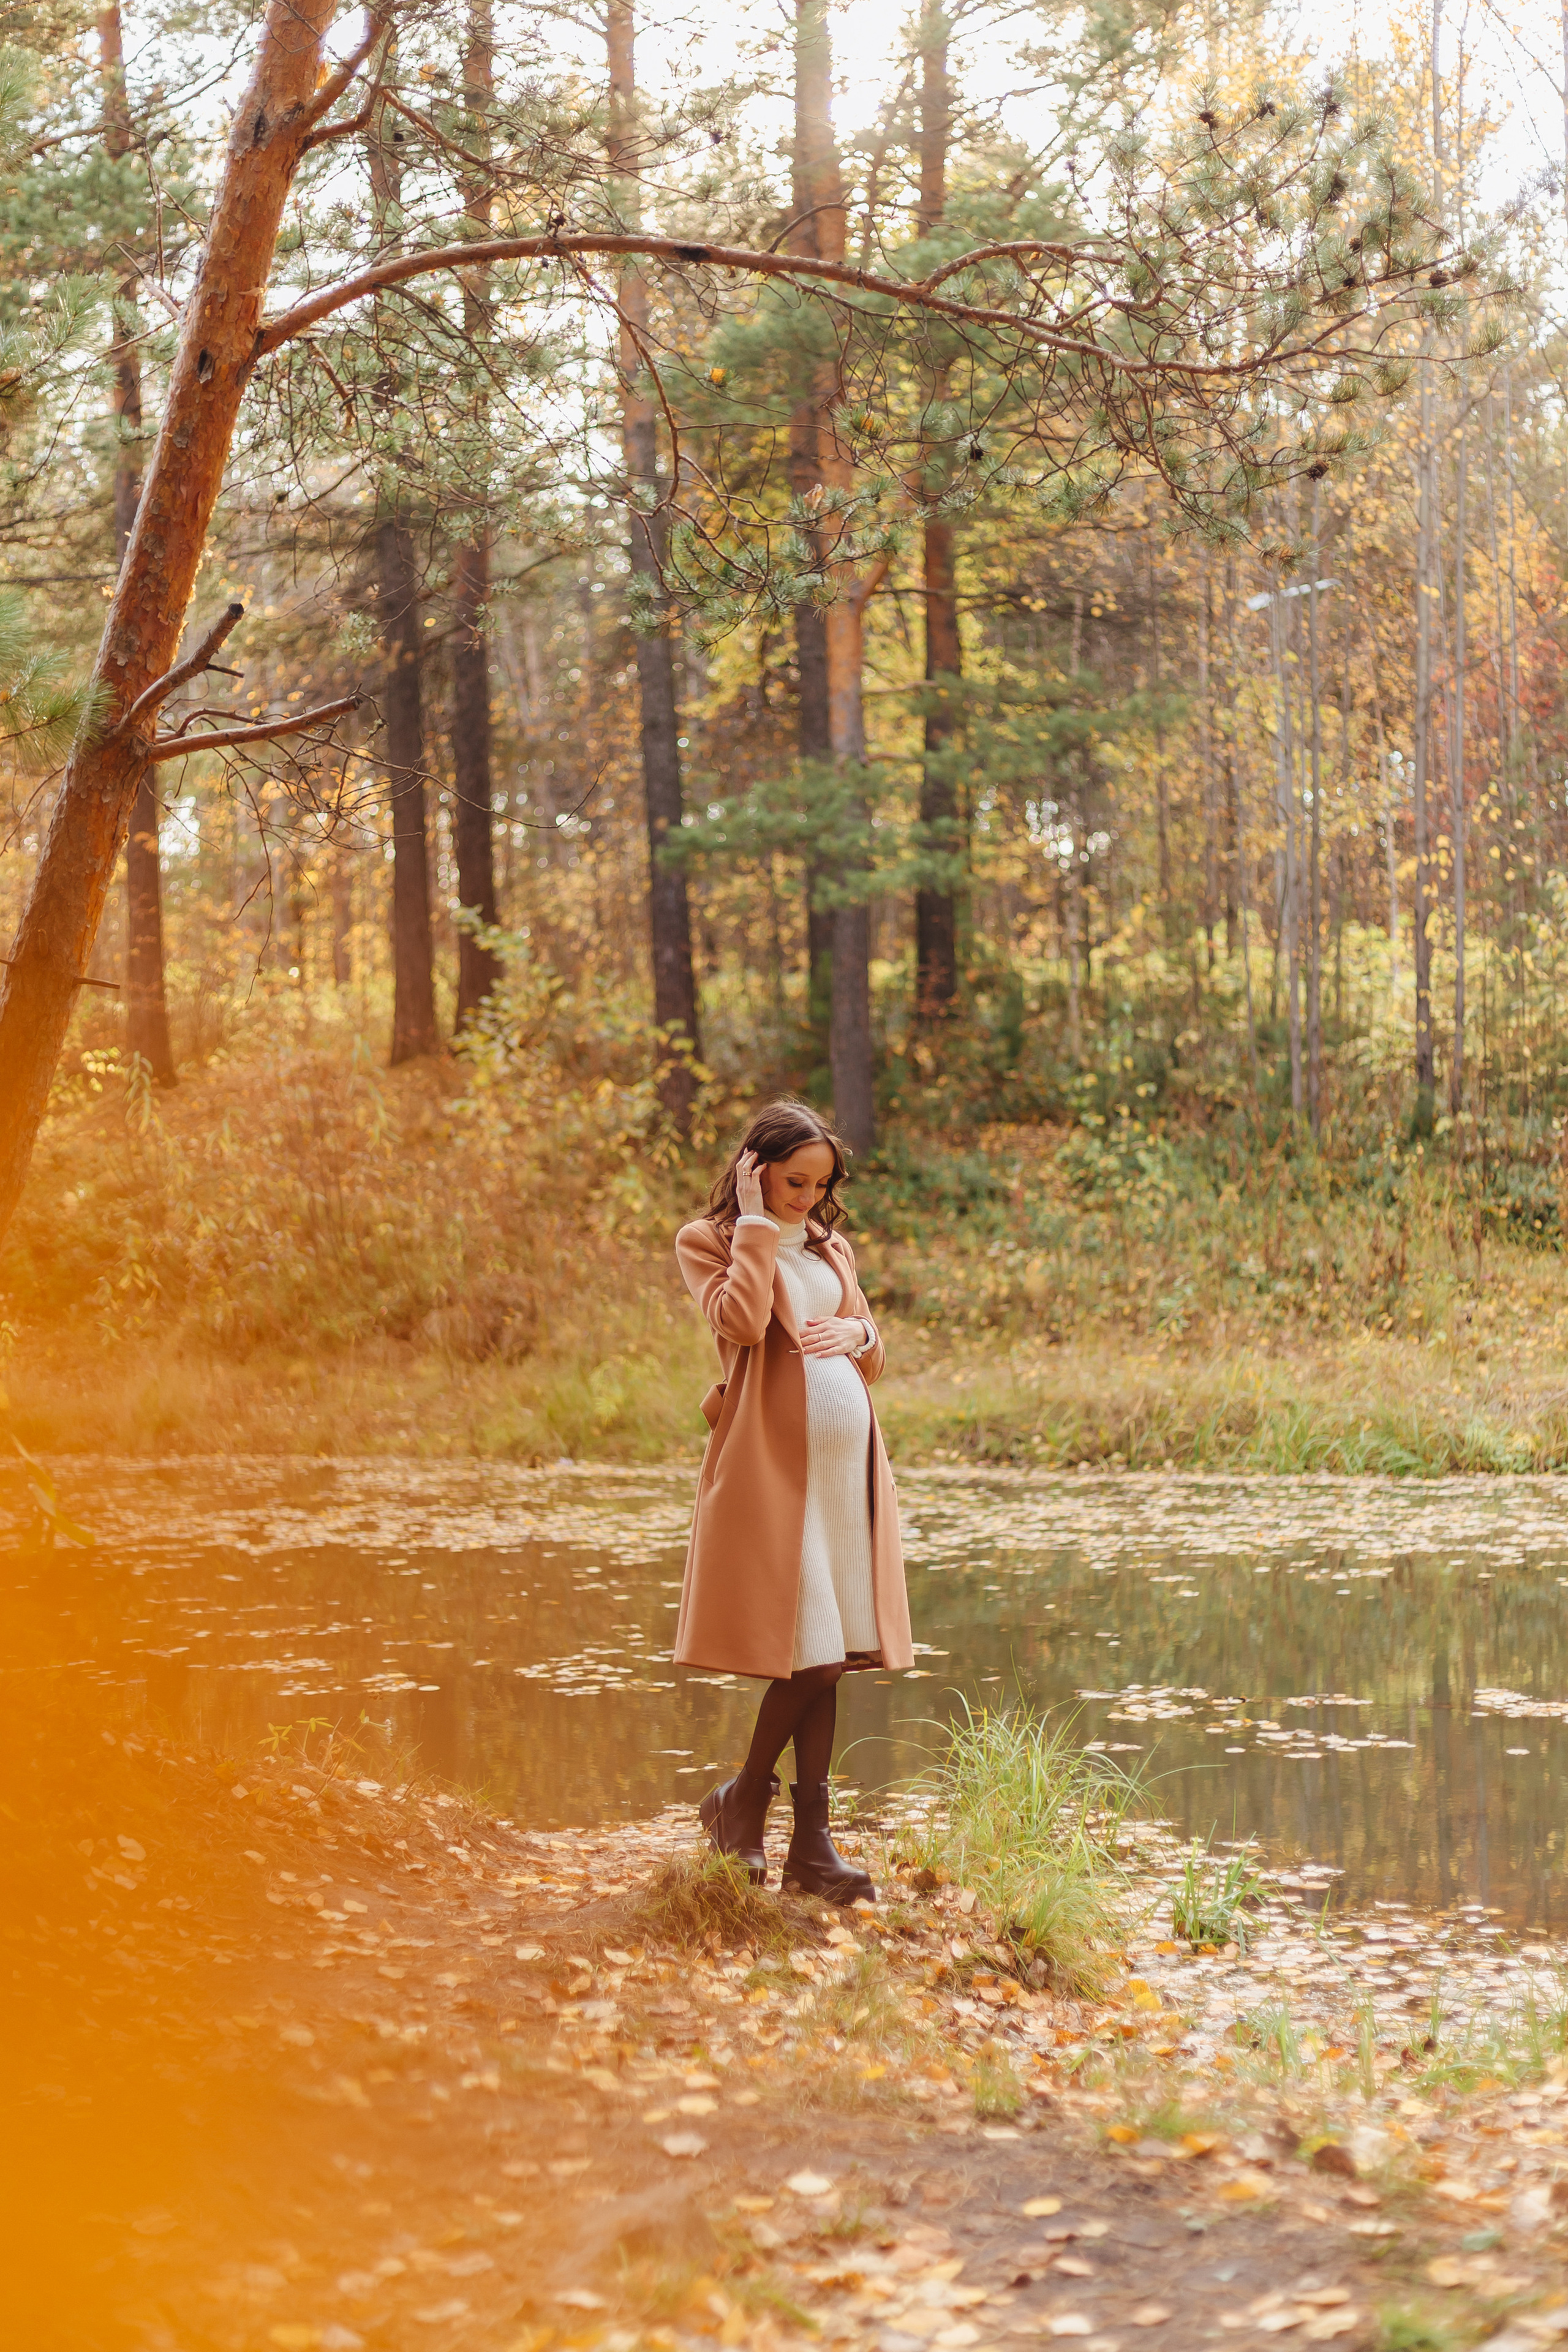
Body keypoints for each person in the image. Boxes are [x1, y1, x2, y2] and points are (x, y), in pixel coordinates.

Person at [673, 1098, 912, 1905]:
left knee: (832, 1654)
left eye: (820, 1184)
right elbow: (739, 1324)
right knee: (809, 1654)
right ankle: (743, 1803)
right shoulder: (711, 1241)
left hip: (846, 1475)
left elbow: (871, 1351)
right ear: (756, 1167)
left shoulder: (832, 1247)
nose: (807, 1197)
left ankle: (810, 1846)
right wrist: (752, 1225)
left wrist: (861, 1339)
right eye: (793, 1181)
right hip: (777, 1471)